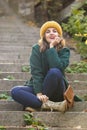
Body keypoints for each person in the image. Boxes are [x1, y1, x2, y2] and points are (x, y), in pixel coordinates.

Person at [11, 21, 70, 112]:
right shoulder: (36, 49)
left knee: (54, 71)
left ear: (59, 35)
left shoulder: (64, 51)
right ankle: (49, 105)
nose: (51, 33)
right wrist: (38, 93)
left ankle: (35, 104)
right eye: (47, 31)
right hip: (39, 88)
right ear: (43, 36)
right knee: (15, 91)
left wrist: (51, 47)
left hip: (57, 89)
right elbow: (36, 72)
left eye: (54, 31)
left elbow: (57, 67)